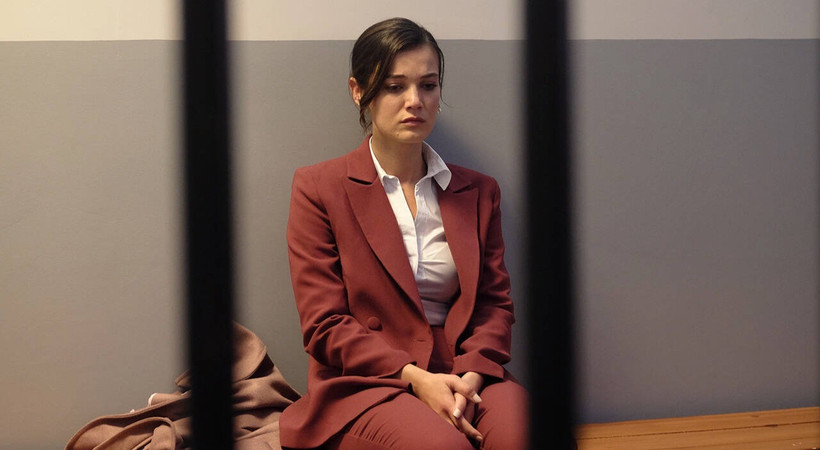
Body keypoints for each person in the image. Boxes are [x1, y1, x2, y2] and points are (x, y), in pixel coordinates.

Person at [279, 17, 528, 450]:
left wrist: (469, 378)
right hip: (367, 379)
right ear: (359, 91)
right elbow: (324, 324)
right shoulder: (319, 187)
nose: (415, 101)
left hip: (465, 367)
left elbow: (494, 304)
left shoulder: (478, 190)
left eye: (428, 85)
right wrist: (416, 379)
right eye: (395, 87)